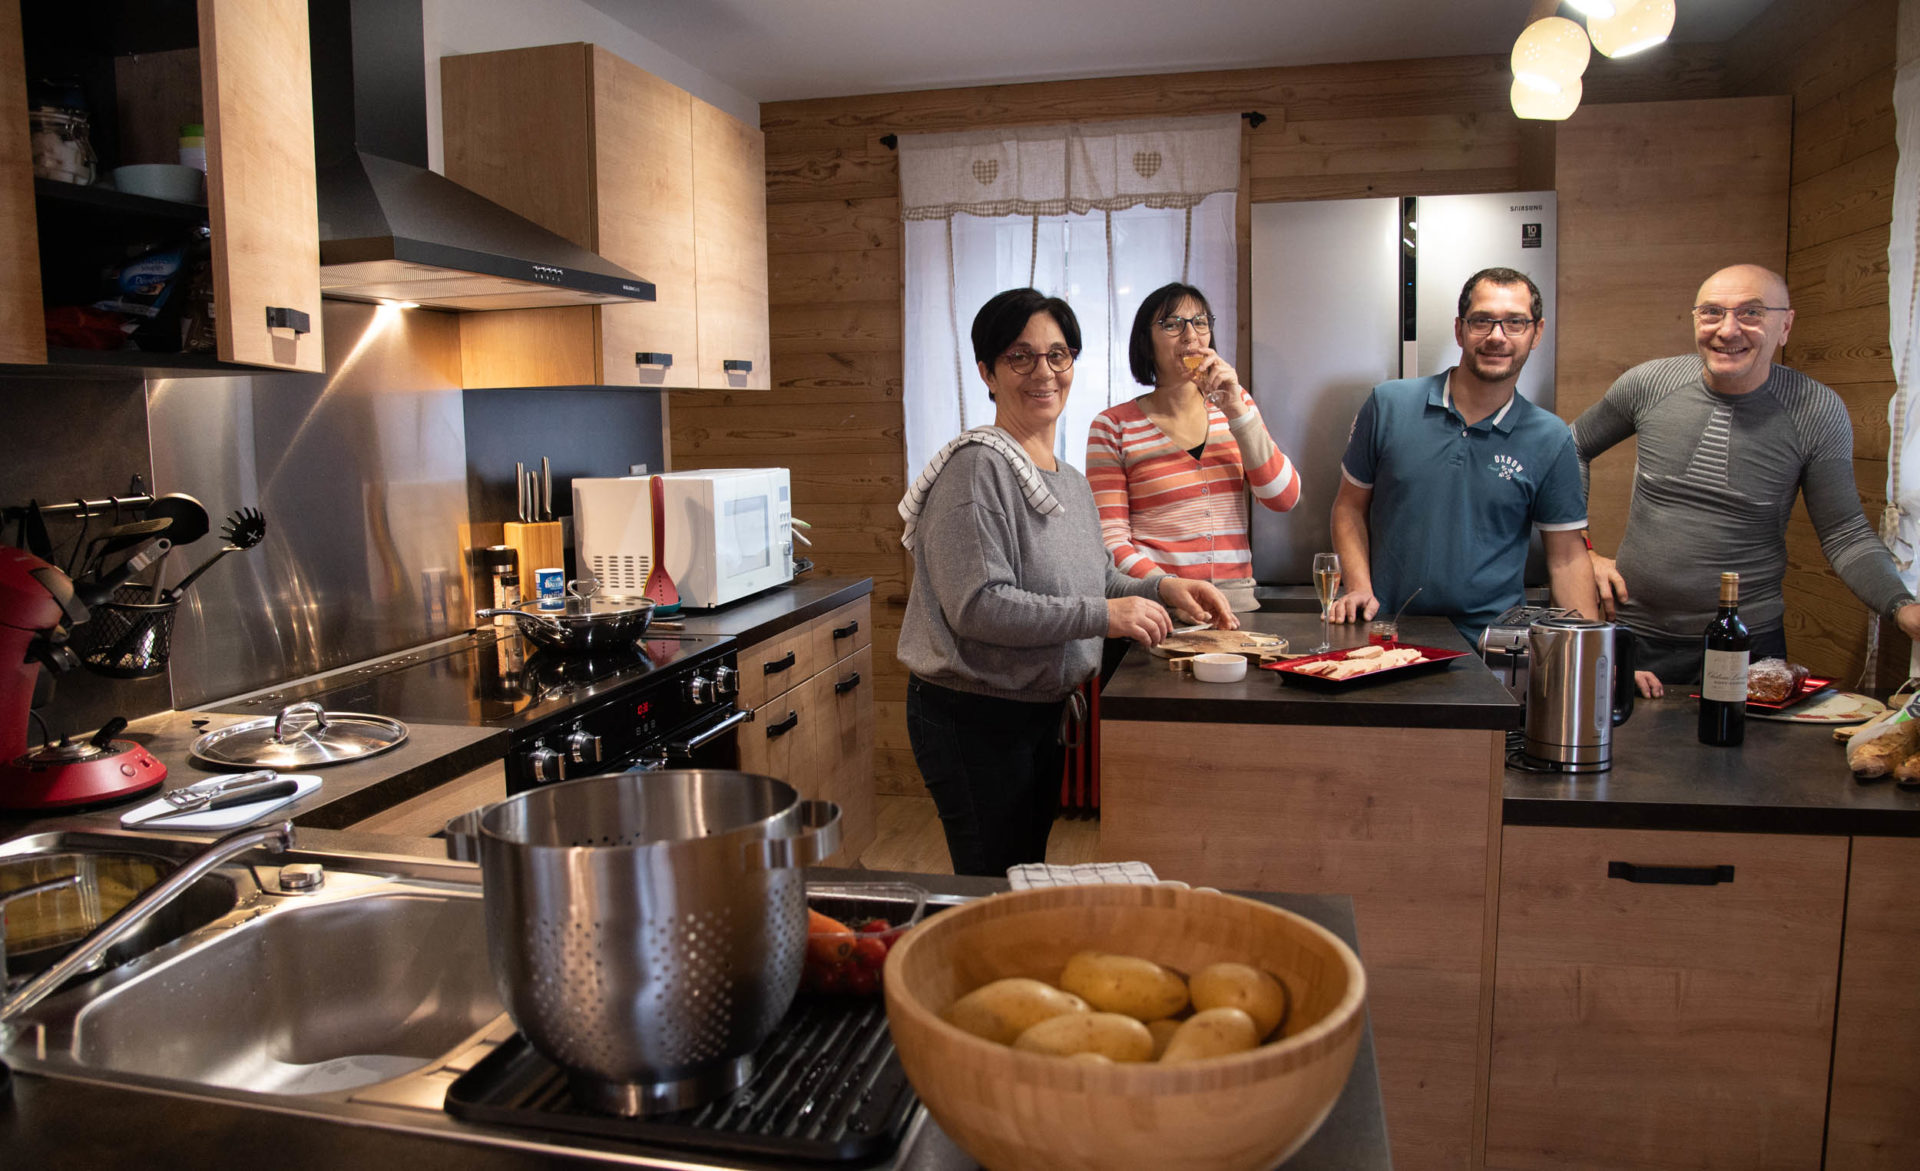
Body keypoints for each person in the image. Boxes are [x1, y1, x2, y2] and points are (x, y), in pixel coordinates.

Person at [897, 288, 1236, 877]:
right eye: (1020, 357)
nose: (1044, 372)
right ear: (988, 372)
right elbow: (979, 607)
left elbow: (1095, 575)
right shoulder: (976, 469)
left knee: (1023, 876)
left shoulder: (1070, 481)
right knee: (992, 887)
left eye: (1059, 355)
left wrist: (1163, 589)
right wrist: (1107, 618)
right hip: (971, 717)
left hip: (1037, 713)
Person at [1574, 263, 1920, 697]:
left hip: (1748, 646)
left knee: (1741, 765)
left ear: (1785, 325)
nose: (1728, 329)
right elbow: (1570, 449)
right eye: (1712, 313)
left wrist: (1901, 607)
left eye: (1751, 314)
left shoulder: (1816, 410)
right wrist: (1581, 548)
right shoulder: (1649, 383)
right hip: (1638, 638)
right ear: (1696, 319)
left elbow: (1845, 533)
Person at [1328, 266, 1599, 643]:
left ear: (1537, 333)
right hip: (1385, 636)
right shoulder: (1389, 404)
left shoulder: (1549, 437)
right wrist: (1358, 586)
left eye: (1515, 323)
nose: (1497, 337)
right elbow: (1348, 507)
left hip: (1495, 649)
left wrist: (1595, 655)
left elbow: (1567, 559)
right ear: (1459, 329)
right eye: (1482, 321)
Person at [1086, 282, 1302, 587]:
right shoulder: (1113, 426)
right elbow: (1110, 539)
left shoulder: (1236, 405)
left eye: (1200, 323)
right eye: (1172, 325)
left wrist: (1238, 412)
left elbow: (1283, 498)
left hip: (1236, 605)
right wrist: (1170, 589)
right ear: (1146, 343)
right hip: (1159, 608)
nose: (1191, 335)